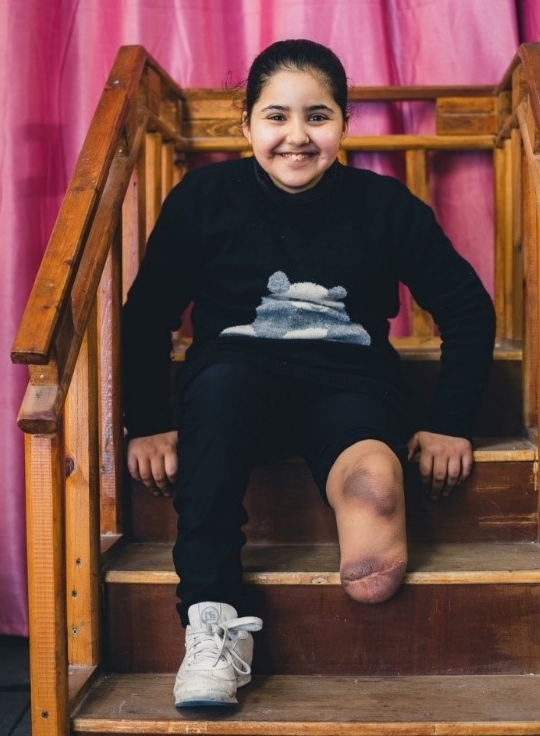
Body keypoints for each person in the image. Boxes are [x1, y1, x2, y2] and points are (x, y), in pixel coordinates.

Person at [122, 38, 496, 708]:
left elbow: (468, 309)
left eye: (316, 116)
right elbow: (146, 315)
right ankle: (212, 623)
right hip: (236, 383)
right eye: (276, 117)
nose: (296, 137)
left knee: (373, 566)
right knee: (215, 391)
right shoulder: (203, 198)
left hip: (351, 387)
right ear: (246, 125)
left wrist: (447, 422)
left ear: (342, 123)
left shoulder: (384, 206)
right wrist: (148, 423)